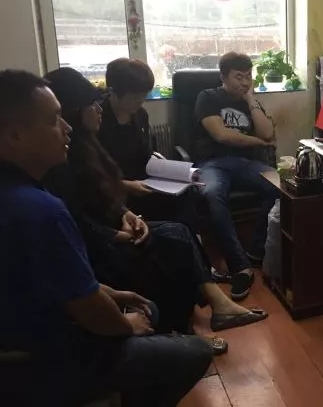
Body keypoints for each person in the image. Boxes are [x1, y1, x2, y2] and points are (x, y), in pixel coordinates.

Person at [0, 69, 212, 406]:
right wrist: (126, 324)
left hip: (30, 334)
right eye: (54, 120)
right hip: (38, 362)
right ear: (14, 136)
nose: (66, 128)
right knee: (193, 351)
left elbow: (58, 277)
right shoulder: (39, 210)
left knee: (151, 303)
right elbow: (89, 311)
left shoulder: (22, 190)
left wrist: (110, 292)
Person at [41, 67, 267, 341]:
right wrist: (121, 214)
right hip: (118, 205)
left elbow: (131, 164)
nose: (140, 101)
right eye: (135, 96)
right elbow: (82, 208)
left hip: (132, 194)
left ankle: (210, 291)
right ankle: (201, 307)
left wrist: (129, 209)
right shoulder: (69, 151)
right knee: (178, 233)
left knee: (184, 203)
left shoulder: (106, 132)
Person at [194, 51, 280, 300]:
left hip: (245, 163)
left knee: (279, 185)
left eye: (248, 76)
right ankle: (240, 265)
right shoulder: (208, 97)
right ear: (223, 77)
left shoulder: (249, 101)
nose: (244, 82)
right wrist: (259, 142)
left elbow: (267, 132)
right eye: (238, 77)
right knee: (212, 194)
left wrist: (251, 98)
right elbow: (222, 135)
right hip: (212, 162)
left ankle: (255, 250)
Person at [97, 57, 198, 231]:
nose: (141, 100)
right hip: (113, 189)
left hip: (143, 181)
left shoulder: (140, 115)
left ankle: (188, 239)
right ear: (114, 91)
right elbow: (90, 174)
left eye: (144, 94)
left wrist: (164, 168)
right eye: (135, 96)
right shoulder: (97, 118)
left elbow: (144, 153)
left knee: (186, 195)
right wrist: (125, 185)